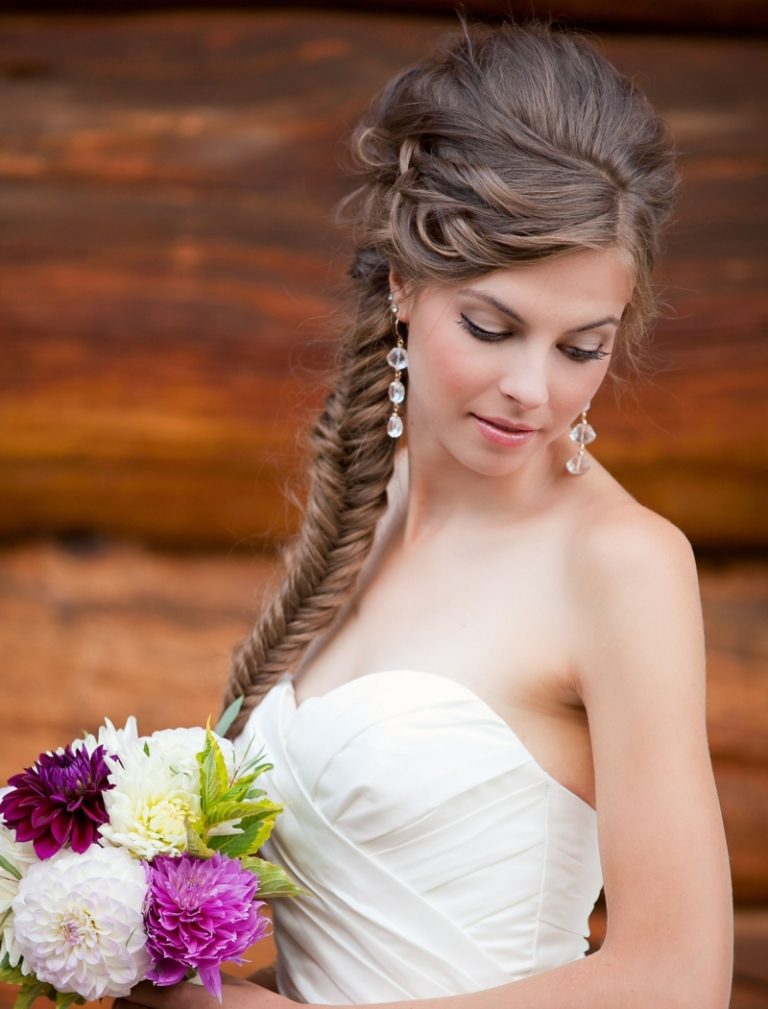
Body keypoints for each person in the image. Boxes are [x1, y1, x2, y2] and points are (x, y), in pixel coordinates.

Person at [116, 16, 734, 1009]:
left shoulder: (624, 564)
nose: (533, 388)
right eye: (491, 327)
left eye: (583, 346)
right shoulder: (370, 517)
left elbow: (675, 980)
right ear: (404, 281)